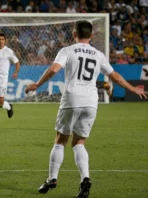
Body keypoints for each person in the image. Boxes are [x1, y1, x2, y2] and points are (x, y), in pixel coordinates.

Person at [25, 20, 148, 198]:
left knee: (60, 140)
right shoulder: (98, 54)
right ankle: (85, 178)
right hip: (91, 102)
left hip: (72, 98)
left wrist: (37, 84)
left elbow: (53, 70)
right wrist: (133, 89)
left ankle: (52, 178)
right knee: (79, 142)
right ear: (92, 36)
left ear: (74, 34)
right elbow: (115, 76)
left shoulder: (67, 50)